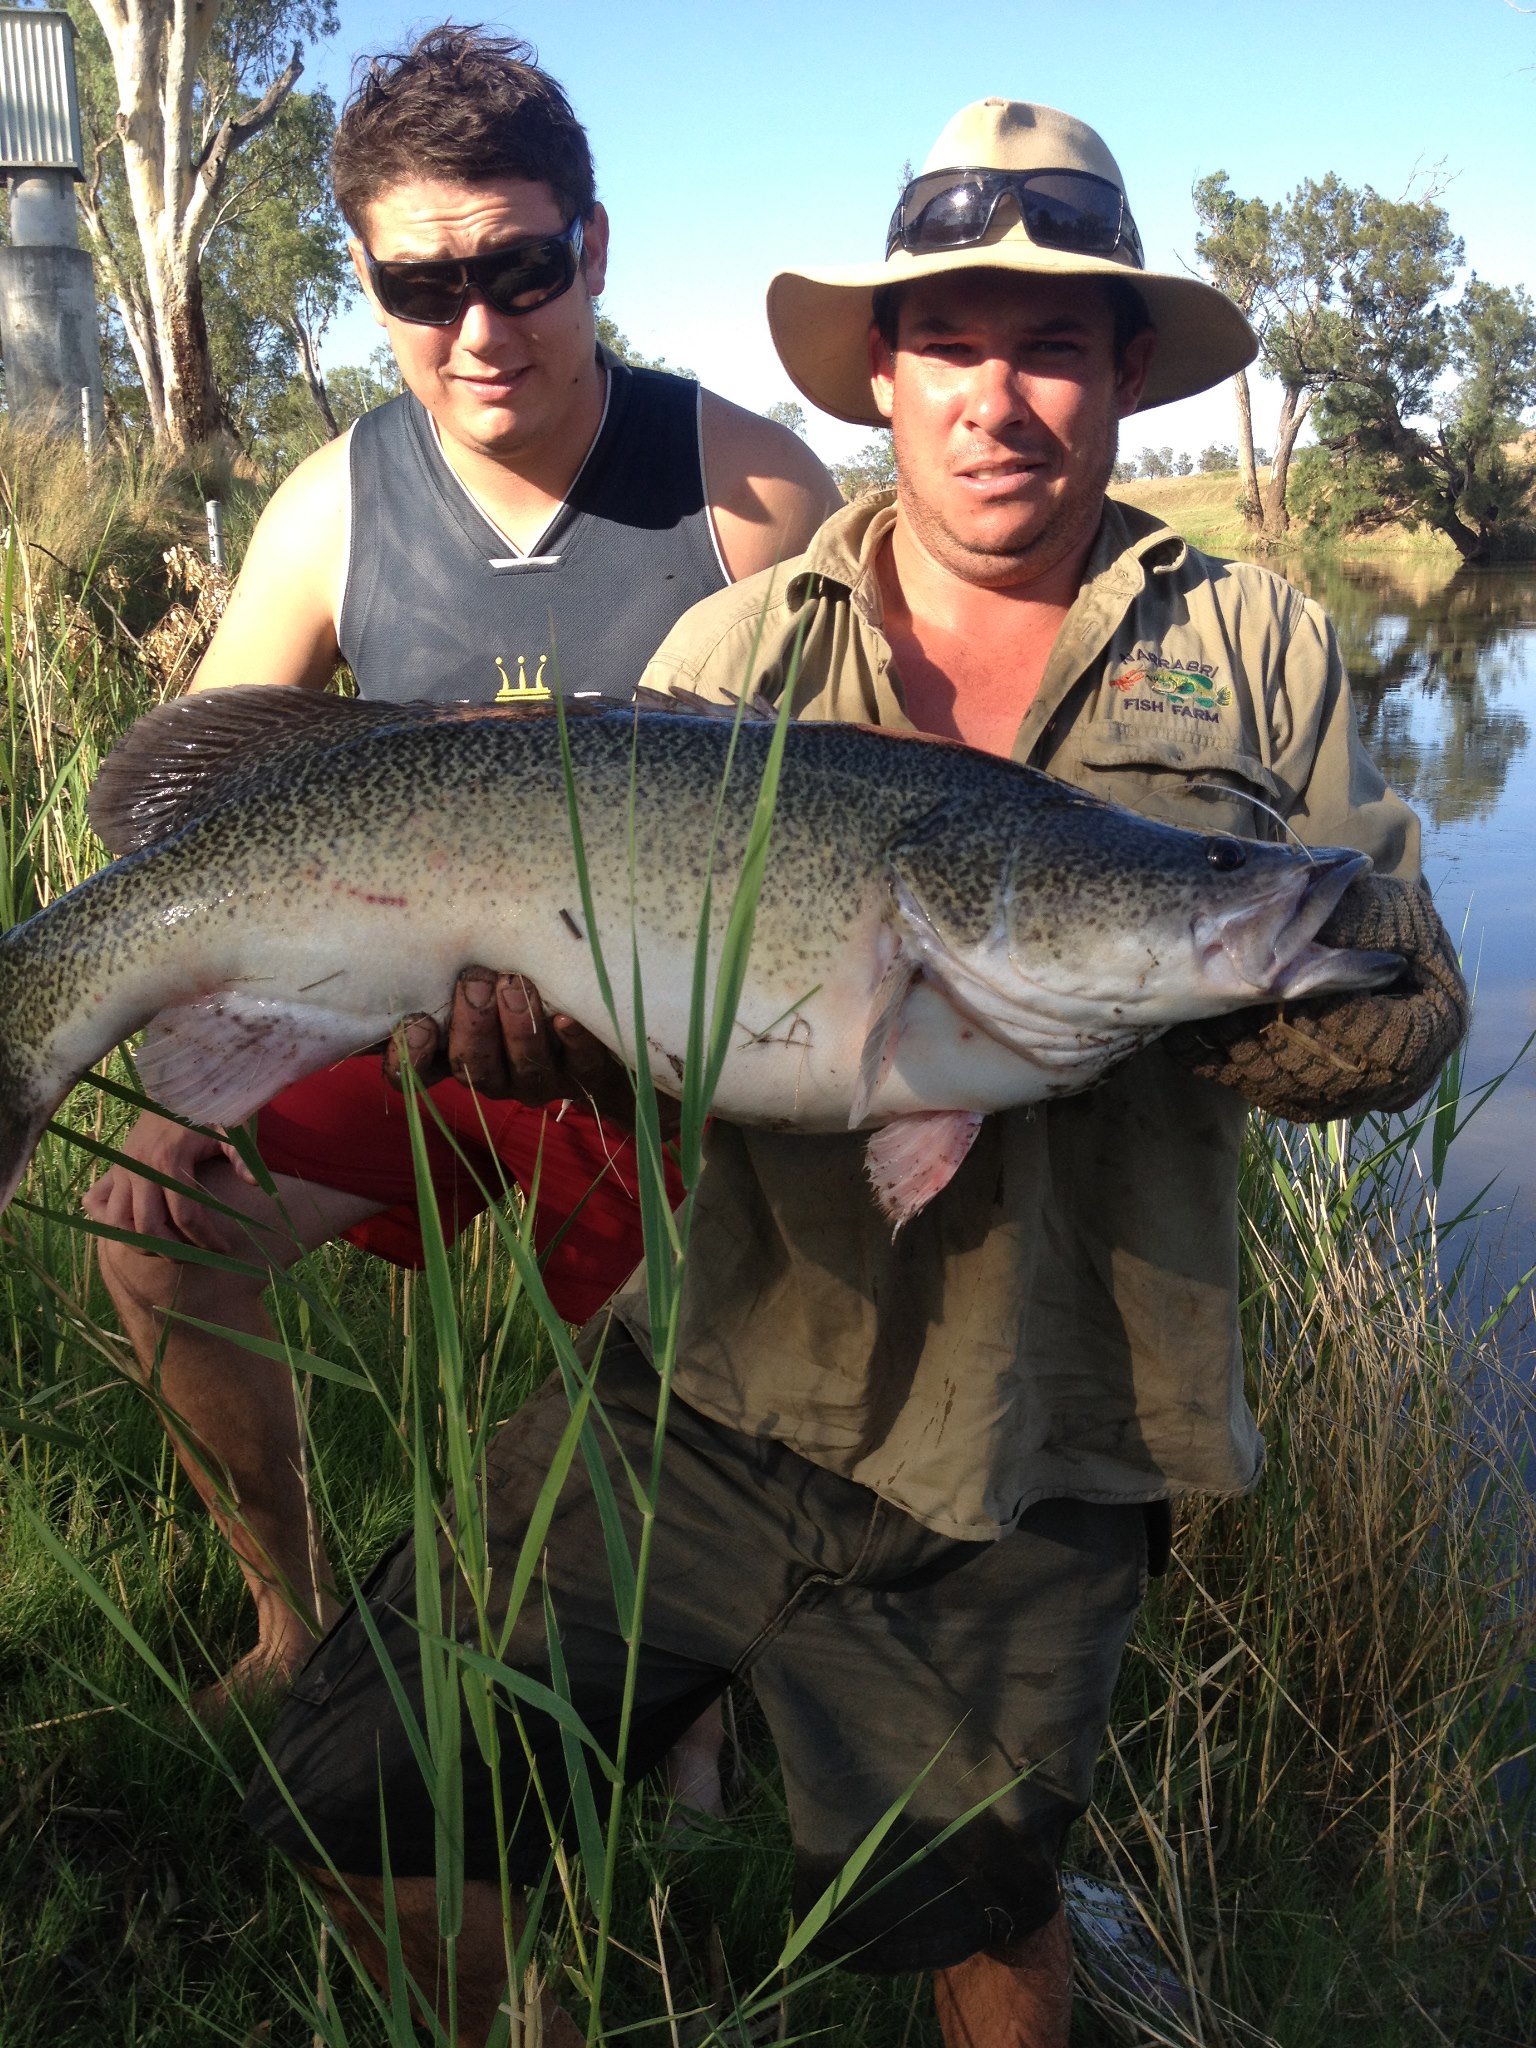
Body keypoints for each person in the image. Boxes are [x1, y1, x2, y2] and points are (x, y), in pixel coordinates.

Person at [242, 98, 1467, 2046]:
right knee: (375, 1792)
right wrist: (531, 1038)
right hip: (709, 1373)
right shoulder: (739, 653)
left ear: (1126, 371)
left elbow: (1403, 1002)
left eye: (1055, 345)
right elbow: (629, 1016)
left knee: (971, 1932)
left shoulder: (1252, 645)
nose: (1001, 399)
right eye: (955, 345)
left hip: (1037, 1440)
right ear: (885, 374)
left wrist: (1205, 965)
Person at [81, 25, 839, 1708]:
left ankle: (690, 1686)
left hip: (674, 1075)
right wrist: (175, 1076)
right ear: (366, 278)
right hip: (412, 1041)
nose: (480, 330)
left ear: (594, 245)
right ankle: (290, 1623)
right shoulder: (330, 508)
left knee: (687, 1358)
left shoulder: (757, 492)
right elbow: (193, 807)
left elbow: (846, 820)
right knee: (151, 1239)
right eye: (425, 289)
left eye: (521, 267)